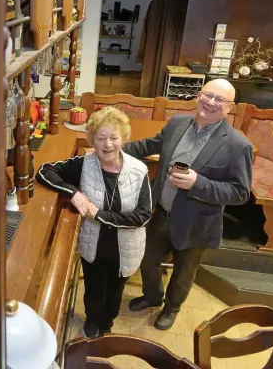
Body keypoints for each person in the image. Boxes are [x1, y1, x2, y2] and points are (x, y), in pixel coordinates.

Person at [122, 79, 253, 330]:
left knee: (184, 272)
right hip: (161, 211)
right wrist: (113, 149)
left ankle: (172, 308)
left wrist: (198, 183)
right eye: (208, 95)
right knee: (147, 260)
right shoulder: (177, 124)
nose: (211, 103)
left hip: (198, 222)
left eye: (220, 100)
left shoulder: (238, 145)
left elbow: (240, 193)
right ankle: (152, 297)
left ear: (230, 107)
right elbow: (149, 145)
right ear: (198, 95)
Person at [36, 107, 152, 338]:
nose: (107, 144)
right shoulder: (84, 164)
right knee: (94, 289)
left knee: (115, 292)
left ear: (123, 139)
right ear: (92, 140)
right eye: (100, 138)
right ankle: (91, 321)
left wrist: (100, 214)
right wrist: (74, 193)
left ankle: (107, 324)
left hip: (126, 247)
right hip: (94, 245)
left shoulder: (139, 170)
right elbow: (44, 171)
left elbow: (143, 215)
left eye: (113, 138)